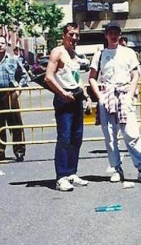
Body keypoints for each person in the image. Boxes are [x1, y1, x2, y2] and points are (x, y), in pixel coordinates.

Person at [88, 22, 141, 183]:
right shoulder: (100, 54)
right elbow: (92, 77)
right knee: (110, 136)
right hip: (107, 96)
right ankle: (116, 168)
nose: (113, 35)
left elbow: (135, 74)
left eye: (116, 32)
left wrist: (130, 94)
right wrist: (99, 96)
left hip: (125, 95)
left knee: (131, 133)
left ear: (120, 35)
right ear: (106, 35)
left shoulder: (128, 52)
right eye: (110, 32)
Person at [44, 22, 91, 191]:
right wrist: (62, 93)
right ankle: (61, 176)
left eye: (77, 35)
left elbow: (76, 77)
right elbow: (48, 77)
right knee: (64, 138)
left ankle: (72, 172)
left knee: (76, 138)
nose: (74, 38)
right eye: (71, 34)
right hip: (64, 99)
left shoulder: (75, 55)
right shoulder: (58, 52)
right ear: (64, 35)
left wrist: (85, 94)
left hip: (76, 98)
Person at [0, 35, 28, 162]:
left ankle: (19, 150)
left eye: (2, 43)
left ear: (6, 45)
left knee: (15, 123)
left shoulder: (13, 60)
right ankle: (0, 151)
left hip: (11, 93)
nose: (0, 45)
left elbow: (24, 75)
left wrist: (19, 87)